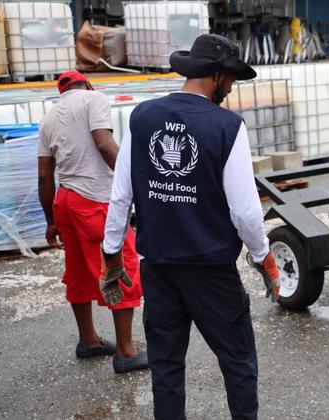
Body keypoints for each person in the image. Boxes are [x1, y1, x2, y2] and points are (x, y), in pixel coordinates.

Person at [101, 34, 280, 420]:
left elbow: (121, 195)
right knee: (238, 363)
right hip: (211, 271)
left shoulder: (142, 117)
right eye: (230, 79)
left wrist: (111, 256)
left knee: (166, 367)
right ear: (215, 75)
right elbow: (246, 212)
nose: (231, 89)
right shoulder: (227, 126)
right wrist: (265, 259)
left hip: (158, 269)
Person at [37, 70, 148, 373]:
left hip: (66, 202)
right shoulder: (94, 98)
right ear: (86, 83)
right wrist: (135, 185)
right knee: (120, 265)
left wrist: (50, 221)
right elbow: (104, 144)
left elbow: (45, 175)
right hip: (95, 201)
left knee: (79, 271)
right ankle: (126, 351)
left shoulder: (48, 119)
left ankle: (89, 341)